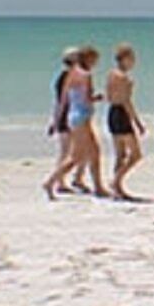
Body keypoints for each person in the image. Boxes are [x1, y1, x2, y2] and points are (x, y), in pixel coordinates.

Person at [43, 45, 108, 200]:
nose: (96, 63)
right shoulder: (85, 75)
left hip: (72, 116)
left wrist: (57, 119)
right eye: (95, 60)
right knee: (78, 156)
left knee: (92, 152)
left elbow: (63, 100)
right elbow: (86, 98)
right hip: (82, 116)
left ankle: (98, 187)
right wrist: (98, 98)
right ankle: (50, 181)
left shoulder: (69, 75)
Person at [105, 42, 147, 200]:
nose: (133, 62)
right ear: (124, 59)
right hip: (121, 114)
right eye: (132, 58)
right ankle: (115, 182)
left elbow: (109, 96)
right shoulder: (123, 78)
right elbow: (126, 101)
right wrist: (137, 122)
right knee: (136, 155)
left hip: (111, 112)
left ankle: (117, 189)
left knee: (120, 155)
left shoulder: (111, 74)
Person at [46, 47, 89, 194]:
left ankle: (68, 180)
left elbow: (58, 101)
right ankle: (66, 180)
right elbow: (65, 100)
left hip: (65, 116)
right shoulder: (72, 76)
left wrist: (54, 119)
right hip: (71, 116)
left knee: (70, 151)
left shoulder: (62, 77)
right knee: (74, 151)